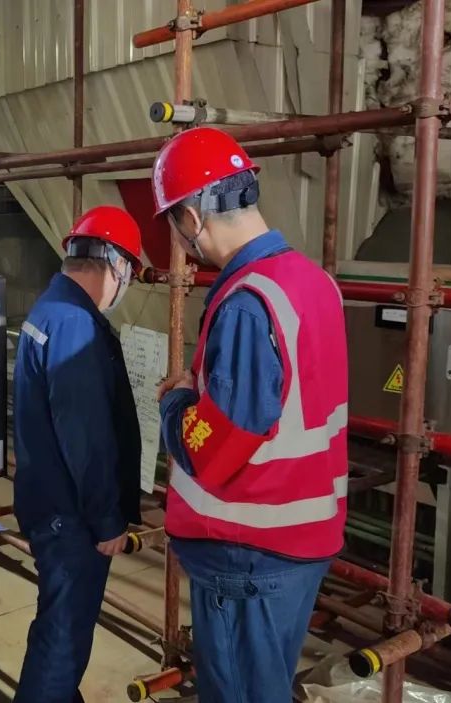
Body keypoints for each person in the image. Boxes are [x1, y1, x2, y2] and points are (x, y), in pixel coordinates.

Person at [153, 127, 348, 703]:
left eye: (173, 224)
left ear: (192, 217)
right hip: (299, 538)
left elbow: (215, 453)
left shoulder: (246, 302)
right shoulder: (315, 282)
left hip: (247, 554)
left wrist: (175, 403)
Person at [11, 206, 143, 703]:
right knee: (63, 640)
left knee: (58, 628)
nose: (127, 284)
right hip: (72, 518)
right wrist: (107, 519)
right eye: (130, 272)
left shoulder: (51, 309)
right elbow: (85, 435)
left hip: (50, 503)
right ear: (115, 263)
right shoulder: (75, 324)